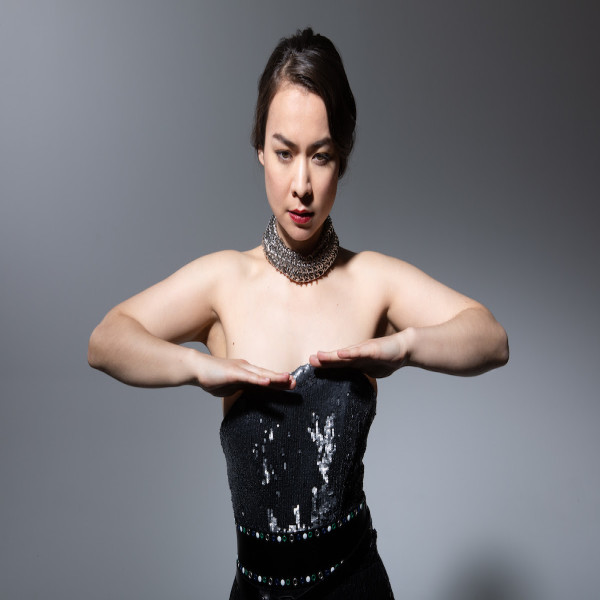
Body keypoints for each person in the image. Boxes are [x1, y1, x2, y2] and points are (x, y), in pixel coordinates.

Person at [88, 27, 508, 600]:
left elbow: (491, 339)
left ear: (342, 160)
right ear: (260, 149)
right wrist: (199, 368)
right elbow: (106, 340)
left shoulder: (373, 281)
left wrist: (404, 347)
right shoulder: (223, 282)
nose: (302, 185)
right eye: (284, 153)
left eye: (322, 156)